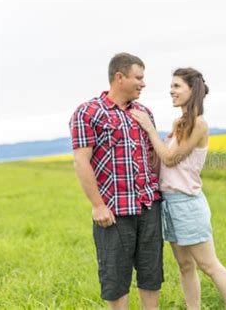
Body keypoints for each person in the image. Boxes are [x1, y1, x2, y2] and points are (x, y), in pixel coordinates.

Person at [131, 67, 226, 310]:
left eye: (177, 86)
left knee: (209, 265)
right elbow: (163, 163)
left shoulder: (199, 124)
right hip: (169, 203)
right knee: (185, 265)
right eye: (171, 86)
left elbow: (170, 159)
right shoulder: (178, 123)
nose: (171, 91)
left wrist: (149, 128)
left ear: (193, 90)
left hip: (187, 203)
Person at [70, 52, 163, 309]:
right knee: (115, 278)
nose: (143, 84)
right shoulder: (88, 112)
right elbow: (81, 161)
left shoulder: (144, 113)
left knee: (151, 274)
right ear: (119, 77)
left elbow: (154, 156)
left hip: (148, 206)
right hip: (113, 211)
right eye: (139, 78)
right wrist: (97, 205)